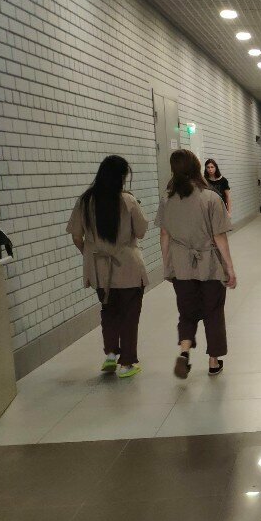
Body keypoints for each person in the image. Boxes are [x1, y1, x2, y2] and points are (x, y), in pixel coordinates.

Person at [66, 155, 149, 378]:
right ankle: (127, 364)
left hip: (100, 268)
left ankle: (111, 355)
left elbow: (76, 236)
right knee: (130, 315)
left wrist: (90, 255)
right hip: (128, 266)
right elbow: (141, 231)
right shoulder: (128, 200)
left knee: (108, 310)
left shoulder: (85, 201)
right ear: (121, 177)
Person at [157, 149, 237, 378]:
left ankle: (184, 352)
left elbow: (164, 235)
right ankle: (213, 361)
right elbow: (219, 236)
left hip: (181, 265)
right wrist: (229, 267)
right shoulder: (210, 198)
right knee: (213, 312)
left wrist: (167, 264)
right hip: (209, 263)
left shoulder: (167, 200)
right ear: (196, 168)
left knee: (186, 312)